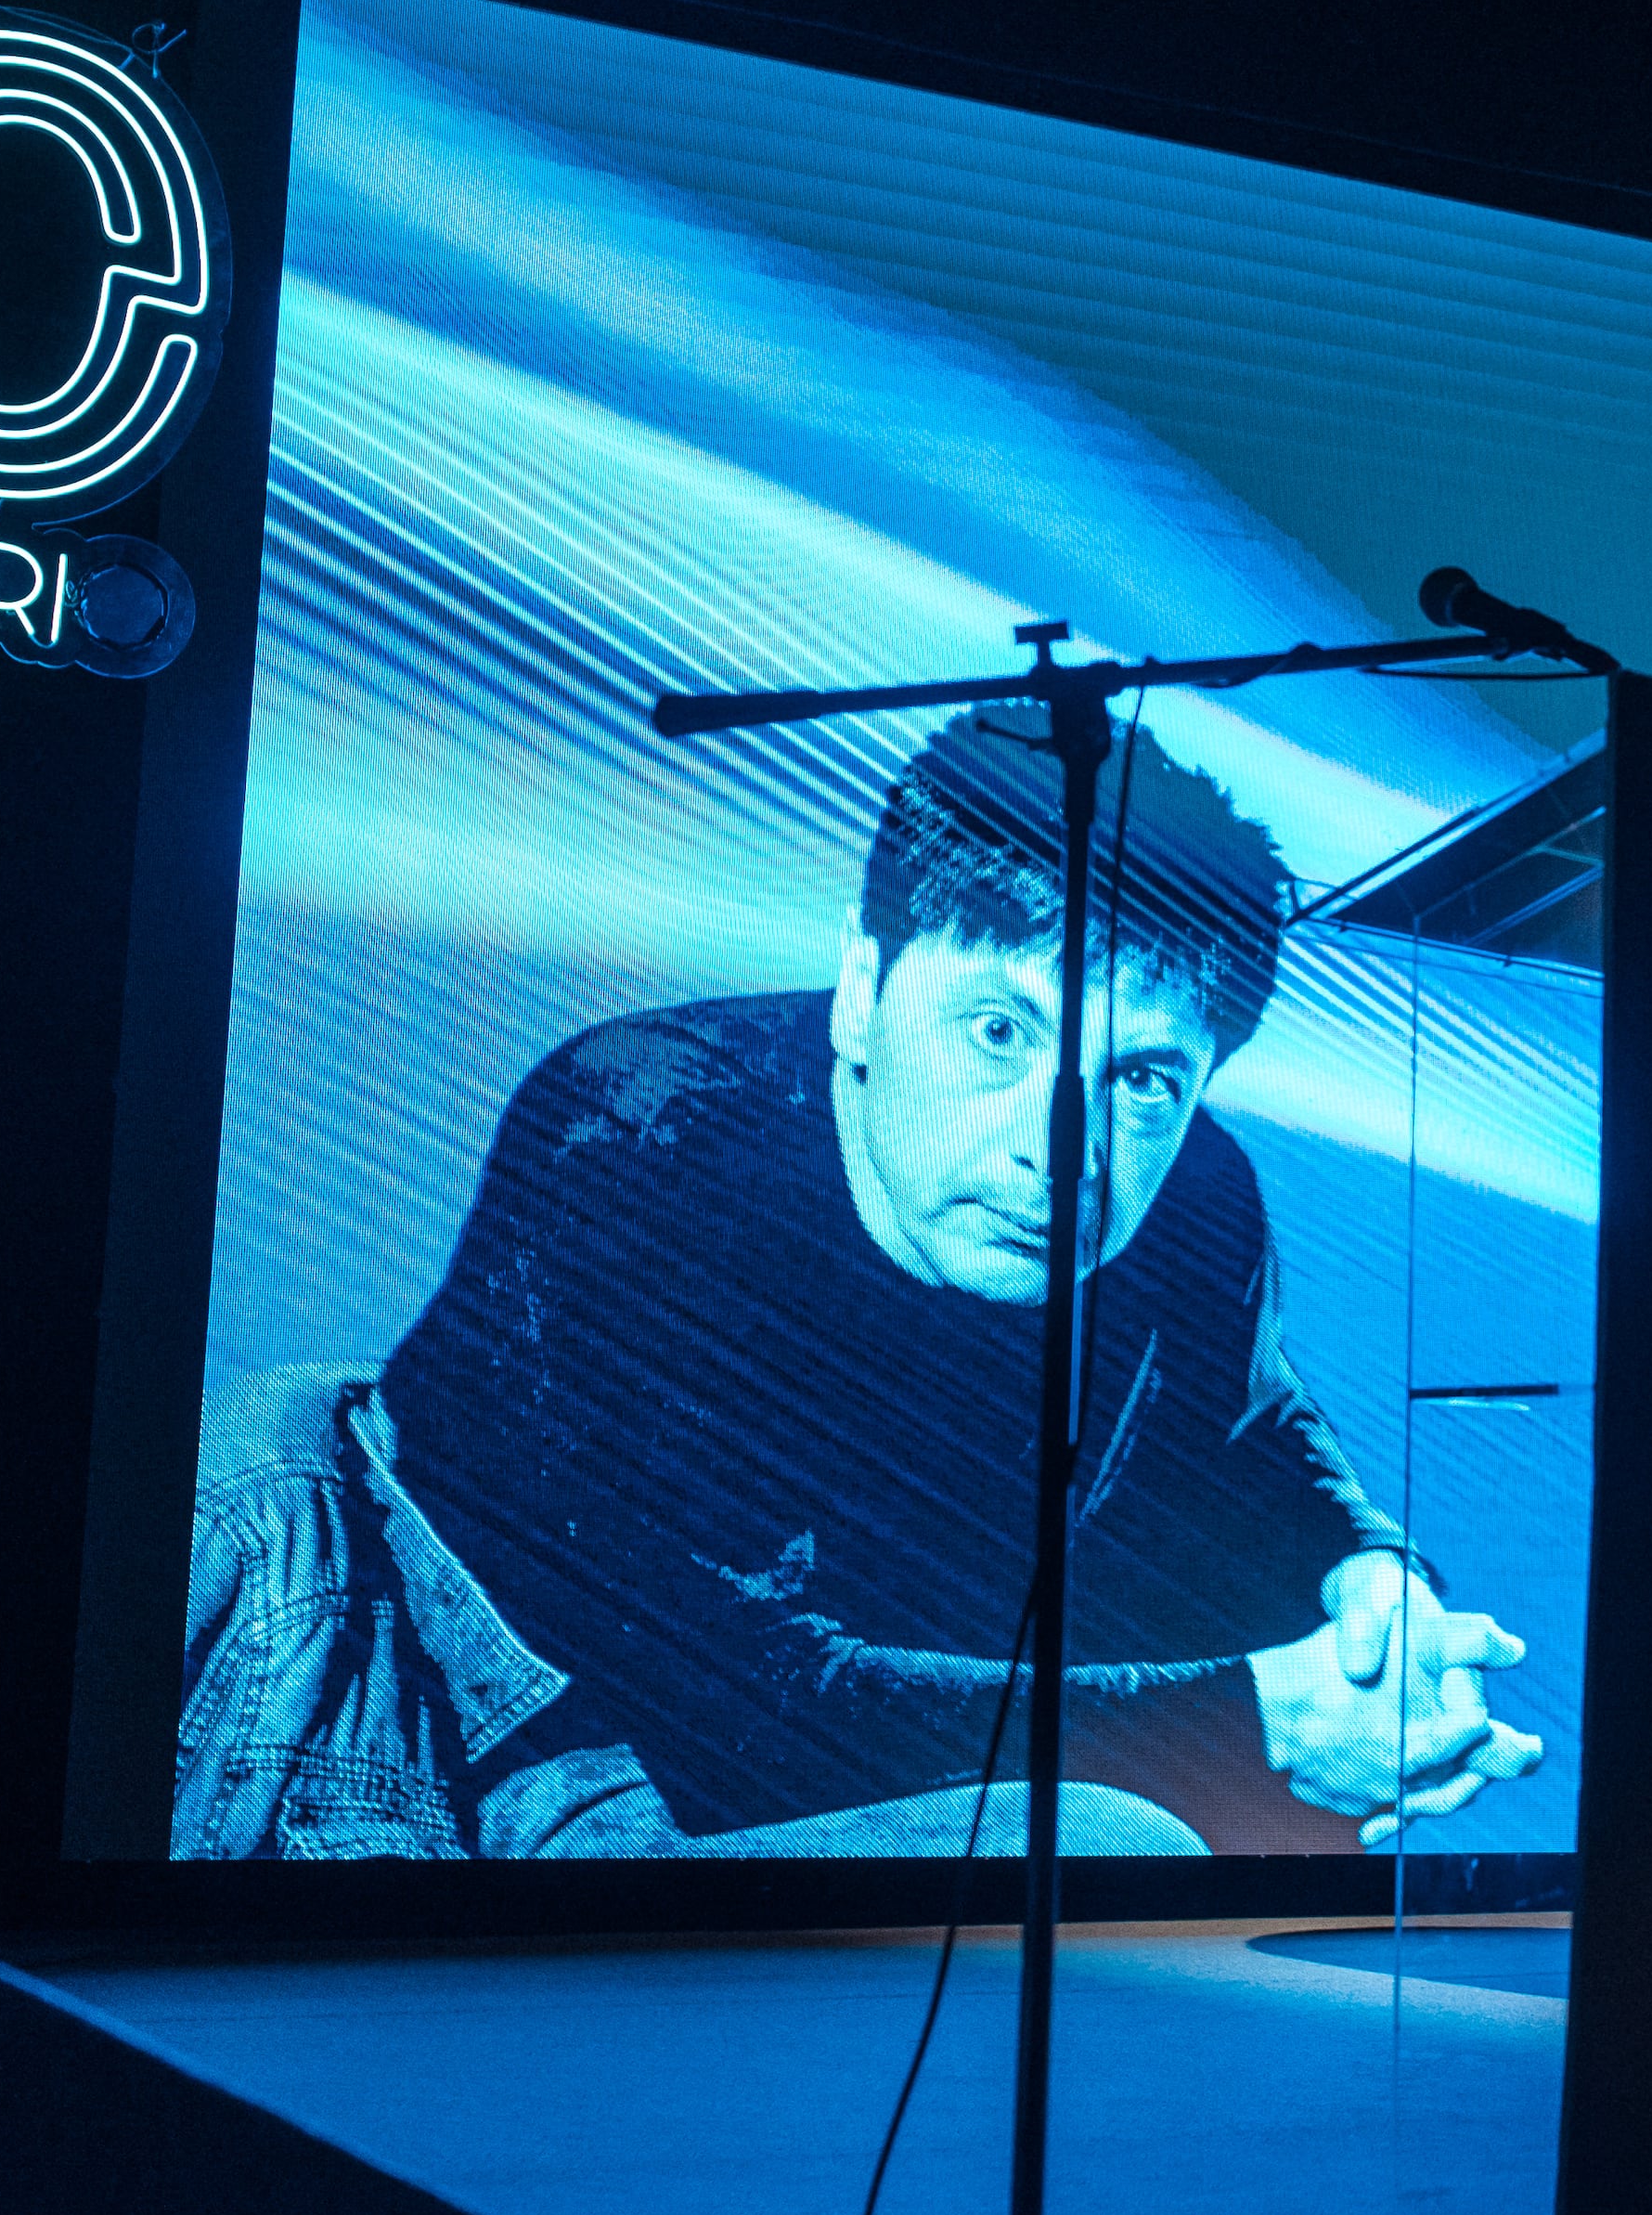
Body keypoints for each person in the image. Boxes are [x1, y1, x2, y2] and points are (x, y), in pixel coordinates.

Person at [290, 708, 1536, 1856]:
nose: (1061, 1155)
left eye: (1145, 1078)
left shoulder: (1194, 1188)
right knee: (1128, 1835)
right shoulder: (639, 1144)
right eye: (1001, 1032)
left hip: (850, 1699)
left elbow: (1255, 1434)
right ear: (861, 992)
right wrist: (1241, 1722)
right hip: (482, 1710)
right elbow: (726, 1704)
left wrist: (1376, 1590)